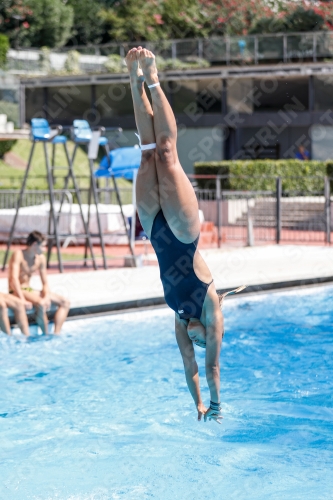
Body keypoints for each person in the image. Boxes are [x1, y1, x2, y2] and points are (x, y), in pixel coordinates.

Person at [126, 47, 245, 424]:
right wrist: (217, 404)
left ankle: (132, 80)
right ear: (209, 332)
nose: (194, 340)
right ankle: (153, 77)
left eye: (194, 340)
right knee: (166, 153)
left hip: (155, 228)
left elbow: (190, 367)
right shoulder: (210, 306)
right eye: (200, 339)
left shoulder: (179, 318)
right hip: (182, 230)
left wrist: (197, 404)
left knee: (146, 155)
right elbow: (211, 368)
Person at [8, 230, 70, 334]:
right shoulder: (18, 255)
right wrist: (22, 299)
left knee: (65, 302)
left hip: (29, 290)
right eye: (43, 246)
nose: (45, 249)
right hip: (17, 290)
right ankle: (46, 334)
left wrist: (46, 296)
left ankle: (56, 334)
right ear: (35, 244)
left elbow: (45, 282)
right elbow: (13, 280)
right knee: (41, 303)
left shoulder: (40, 258)